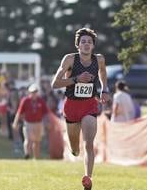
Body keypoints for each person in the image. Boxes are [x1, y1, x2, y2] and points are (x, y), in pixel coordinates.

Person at [51, 27, 110, 190]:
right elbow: (55, 84)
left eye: (89, 42)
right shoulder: (69, 59)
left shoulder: (99, 60)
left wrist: (105, 89)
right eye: (83, 41)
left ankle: (88, 178)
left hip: (89, 105)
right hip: (71, 106)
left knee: (89, 143)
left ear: (93, 46)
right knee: (75, 148)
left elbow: (103, 74)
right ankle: (75, 151)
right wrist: (77, 79)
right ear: (78, 45)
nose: (86, 44)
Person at [12, 84, 49, 159]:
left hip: (38, 123)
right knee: (28, 140)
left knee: (37, 141)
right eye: (32, 92)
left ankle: (36, 157)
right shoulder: (25, 100)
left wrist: (47, 122)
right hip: (28, 123)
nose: (34, 94)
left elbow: (46, 113)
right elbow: (19, 112)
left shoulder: (41, 101)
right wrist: (15, 122)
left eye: (35, 92)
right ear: (29, 92)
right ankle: (27, 154)